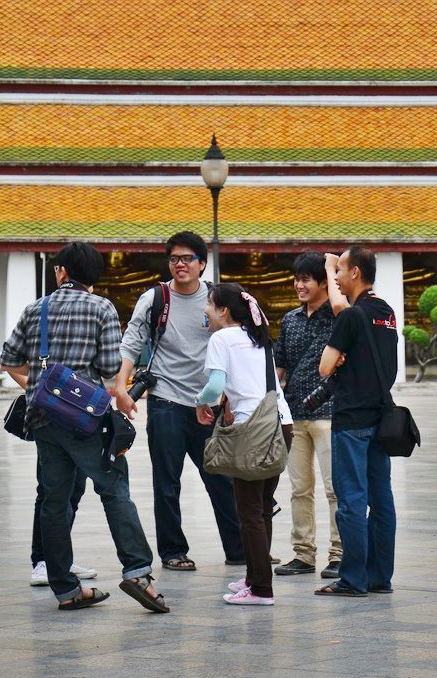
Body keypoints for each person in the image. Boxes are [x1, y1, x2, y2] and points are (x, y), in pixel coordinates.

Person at [0, 243, 168, 613]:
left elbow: (8, 359)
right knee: (114, 490)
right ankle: (138, 572)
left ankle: (65, 589)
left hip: (43, 419)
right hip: (85, 420)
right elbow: (109, 368)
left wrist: (44, 379)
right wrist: (114, 393)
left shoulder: (36, 308)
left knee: (53, 500)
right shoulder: (101, 308)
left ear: (62, 272)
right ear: (94, 276)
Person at [115, 231, 244, 571]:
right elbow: (132, 342)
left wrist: (230, 399)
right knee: (167, 481)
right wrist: (121, 386)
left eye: (188, 258)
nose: (180, 264)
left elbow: (236, 343)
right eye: (174, 259)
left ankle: (239, 548)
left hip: (208, 403)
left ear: (202, 263)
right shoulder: (155, 298)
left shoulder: (218, 299)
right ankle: (173, 551)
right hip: (166, 401)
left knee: (221, 478)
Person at [195, 283, 293, 606]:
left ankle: (262, 589)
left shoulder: (221, 338)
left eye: (209, 305)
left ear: (223, 311)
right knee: (262, 509)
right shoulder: (258, 337)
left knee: (249, 512)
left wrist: (200, 401)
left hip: (253, 431)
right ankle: (254, 577)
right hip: (281, 425)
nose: (206, 310)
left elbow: (215, 386)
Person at [315, 245, 397, 598]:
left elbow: (324, 367)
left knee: (350, 501)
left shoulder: (350, 317)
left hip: (351, 421)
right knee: (381, 499)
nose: (335, 277)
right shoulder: (387, 313)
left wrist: (339, 358)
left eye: (340, 270)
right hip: (381, 418)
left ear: (355, 273)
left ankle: (352, 579)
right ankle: (379, 576)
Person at [274, 252, 346, 579]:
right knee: (299, 488)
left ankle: (340, 554)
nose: (299, 285)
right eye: (297, 279)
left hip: (329, 413)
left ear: (323, 282)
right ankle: (303, 553)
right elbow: (279, 367)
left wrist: (331, 268)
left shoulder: (338, 315)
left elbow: (340, 303)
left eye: (306, 279)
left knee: (335, 489)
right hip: (295, 414)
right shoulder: (289, 320)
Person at [4, 359, 97, 587]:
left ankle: (60, 559)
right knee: (50, 491)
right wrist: (38, 390)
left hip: (81, 415)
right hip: (50, 417)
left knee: (75, 489)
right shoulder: (40, 334)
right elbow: (8, 361)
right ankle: (42, 561)